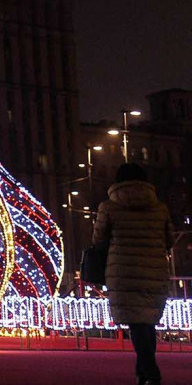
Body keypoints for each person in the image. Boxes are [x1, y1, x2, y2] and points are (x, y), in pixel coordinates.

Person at [95, 162, 174, 385]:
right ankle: (143, 373)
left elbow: (98, 240)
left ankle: (150, 372)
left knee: (136, 323)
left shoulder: (108, 207)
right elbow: (169, 240)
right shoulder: (160, 208)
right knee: (147, 323)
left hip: (122, 271)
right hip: (154, 269)